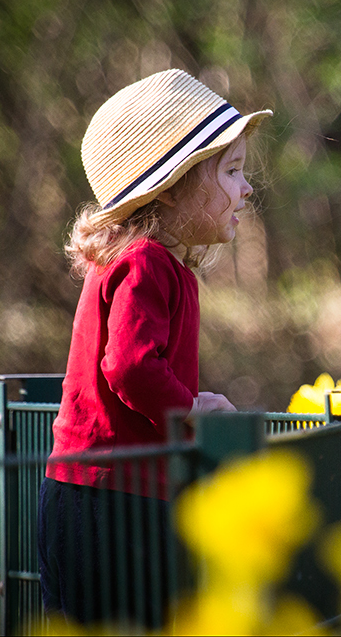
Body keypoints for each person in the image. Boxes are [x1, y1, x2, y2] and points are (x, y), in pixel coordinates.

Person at [37, 68, 272, 627]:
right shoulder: (145, 263)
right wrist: (190, 412)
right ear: (173, 187)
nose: (247, 188)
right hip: (109, 499)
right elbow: (129, 365)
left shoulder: (160, 266)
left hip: (112, 492)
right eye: (233, 171)